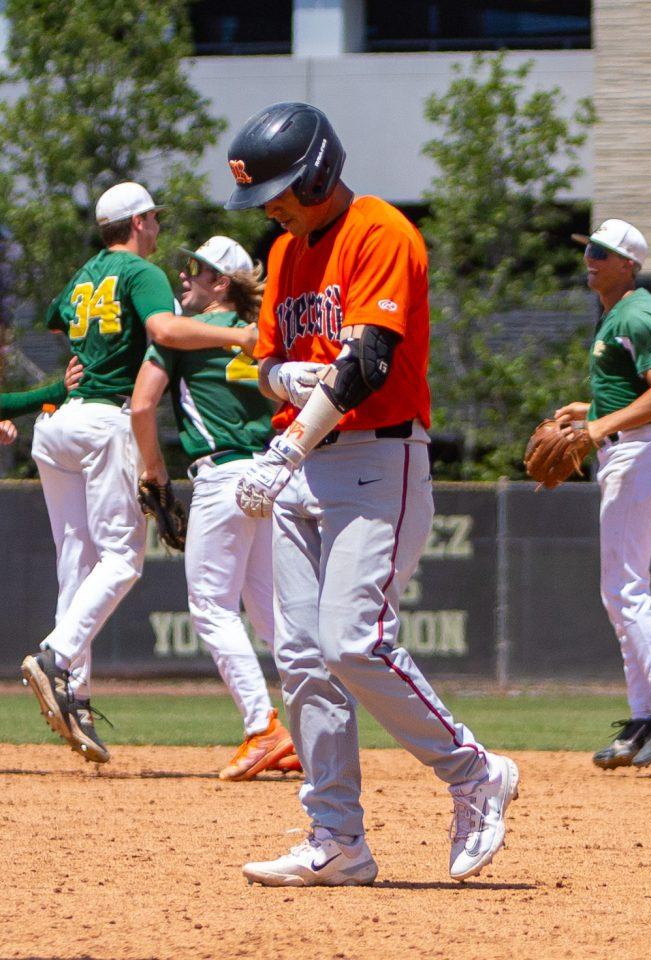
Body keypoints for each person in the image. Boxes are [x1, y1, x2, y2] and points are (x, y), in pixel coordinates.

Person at [224, 101, 517, 886]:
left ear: (319, 168)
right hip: (301, 466)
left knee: (355, 639)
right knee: (303, 659)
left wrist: (285, 446)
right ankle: (336, 840)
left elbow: (369, 366)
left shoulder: (381, 231)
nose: (273, 208)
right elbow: (266, 363)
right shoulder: (286, 254)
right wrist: (283, 378)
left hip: (372, 460)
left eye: (280, 190)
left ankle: (474, 772)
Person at [20, 182, 257, 764]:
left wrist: (89, 350)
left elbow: (58, 319)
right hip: (105, 422)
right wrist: (238, 335)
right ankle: (56, 655)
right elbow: (164, 331)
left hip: (57, 429)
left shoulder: (84, 274)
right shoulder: (140, 271)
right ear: (140, 222)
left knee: (78, 562)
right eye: (153, 219)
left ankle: (72, 693)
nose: (157, 229)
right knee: (123, 558)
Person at [129, 235, 304, 781]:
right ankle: (307, 731)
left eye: (196, 269)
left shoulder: (183, 334)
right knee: (271, 612)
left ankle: (262, 728)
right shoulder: (261, 338)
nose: (185, 277)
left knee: (210, 605)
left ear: (220, 283)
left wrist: (153, 467)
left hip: (223, 474)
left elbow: (141, 403)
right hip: (271, 474)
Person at [554, 219, 651, 770]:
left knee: (627, 590)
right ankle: (644, 717)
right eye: (588, 248)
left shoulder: (638, 313)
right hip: (628, 448)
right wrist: (591, 413)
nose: (589, 258)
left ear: (629, 265)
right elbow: (636, 394)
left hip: (638, 453)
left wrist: (598, 428)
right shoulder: (618, 313)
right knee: (619, 592)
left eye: (601, 252)